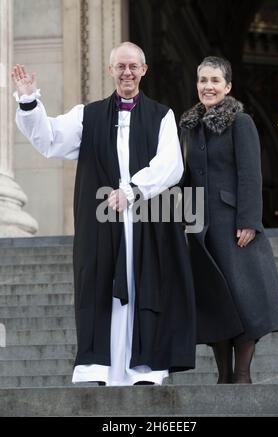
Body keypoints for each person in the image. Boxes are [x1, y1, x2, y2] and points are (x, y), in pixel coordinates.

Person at [12, 42, 196, 386]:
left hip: (147, 221)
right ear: (110, 70)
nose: (126, 72)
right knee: (98, 285)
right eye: (120, 66)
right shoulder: (88, 115)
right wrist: (28, 101)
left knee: (146, 286)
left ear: (144, 70)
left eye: (133, 66)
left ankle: (145, 369)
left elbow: (172, 165)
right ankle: (97, 369)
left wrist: (132, 191)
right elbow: (50, 139)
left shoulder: (162, 116)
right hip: (102, 224)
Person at [179, 56, 278, 384]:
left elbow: (250, 175)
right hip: (202, 230)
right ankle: (223, 375)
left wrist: (249, 221)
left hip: (233, 226)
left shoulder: (241, 122)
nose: (207, 86)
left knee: (244, 300)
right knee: (216, 304)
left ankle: (242, 375)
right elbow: (184, 178)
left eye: (214, 81)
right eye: (202, 80)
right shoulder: (189, 128)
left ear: (227, 87)